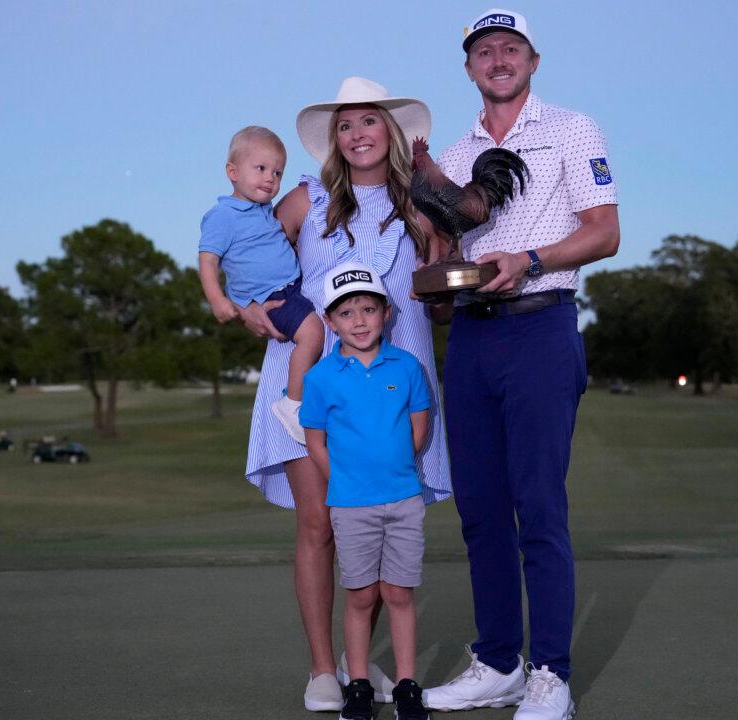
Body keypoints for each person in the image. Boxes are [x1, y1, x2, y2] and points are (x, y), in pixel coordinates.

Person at [422, 9, 620, 720]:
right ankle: (499, 662)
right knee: (479, 510)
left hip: (541, 327)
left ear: (532, 60)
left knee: (538, 507)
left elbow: (605, 233)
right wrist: (440, 281)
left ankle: (551, 676)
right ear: (469, 67)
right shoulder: (453, 150)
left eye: (510, 48)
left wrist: (530, 259)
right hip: (473, 338)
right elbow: (447, 253)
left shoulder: (573, 128)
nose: (497, 58)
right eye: (484, 50)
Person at [234, 78, 452, 713]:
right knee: (319, 524)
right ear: (335, 139)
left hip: (392, 380)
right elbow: (251, 254)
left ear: (390, 131)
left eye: (369, 122)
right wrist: (246, 304)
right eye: (346, 125)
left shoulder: (419, 204)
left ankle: (363, 666)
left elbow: (440, 284)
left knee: (376, 525)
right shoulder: (306, 198)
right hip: (308, 378)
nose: (358, 135)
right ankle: (323, 670)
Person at [301, 261, 432, 720]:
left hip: (403, 500)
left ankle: (407, 686)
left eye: (368, 309)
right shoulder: (320, 377)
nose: (358, 320)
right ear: (330, 321)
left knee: (399, 594)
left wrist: (391, 466)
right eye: (346, 312)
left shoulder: (407, 367)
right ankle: (356, 685)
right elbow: (315, 439)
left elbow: (419, 426)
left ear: (387, 312)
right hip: (351, 504)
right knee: (360, 596)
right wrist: (346, 476)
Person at [198, 126, 323, 443]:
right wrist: (218, 300)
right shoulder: (223, 216)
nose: (270, 178)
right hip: (272, 296)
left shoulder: (264, 210)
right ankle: (292, 404)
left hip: (291, 287)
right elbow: (208, 260)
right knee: (312, 335)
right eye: (261, 169)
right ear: (232, 172)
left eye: (277, 172)